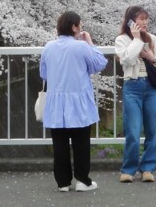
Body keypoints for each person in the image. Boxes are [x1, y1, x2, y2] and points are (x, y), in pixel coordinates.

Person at [40, 11, 108, 192]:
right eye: (79, 26)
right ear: (74, 27)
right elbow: (100, 63)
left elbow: (44, 73)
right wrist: (90, 42)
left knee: (60, 143)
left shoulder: (48, 47)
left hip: (56, 102)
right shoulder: (81, 47)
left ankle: (62, 182)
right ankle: (82, 180)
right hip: (78, 101)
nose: (80, 29)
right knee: (81, 143)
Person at [115, 5, 156, 183]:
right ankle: (128, 169)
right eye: (140, 19)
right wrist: (136, 40)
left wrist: (151, 57)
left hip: (151, 88)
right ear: (131, 21)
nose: (144, 22)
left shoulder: (153, 39)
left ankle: (147, 168)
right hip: (132, 87)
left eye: (146, 19)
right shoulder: (122, 40)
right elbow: (127, 60)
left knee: (152, 129)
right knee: (133, 130)